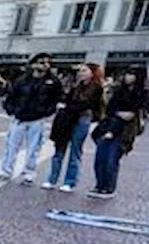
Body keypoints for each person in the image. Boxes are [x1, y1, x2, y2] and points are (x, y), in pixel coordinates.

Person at [0, 52, 63, 183]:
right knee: (11, 146)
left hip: (37, 118)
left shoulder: (53, 82)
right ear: (33, 64)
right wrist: (12, 110)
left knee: (33, 148)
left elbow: (56, 99)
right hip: (20, 117)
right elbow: (11, 96)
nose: (46, 65)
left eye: (47, 62)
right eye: (42, 62)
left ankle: (29, 173)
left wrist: (46, 111)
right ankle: (6, 170)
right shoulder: (22, 80)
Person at [44, 62, 104, 192]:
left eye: (84, 70)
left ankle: (69, 182)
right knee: (59, 149)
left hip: (82, 118)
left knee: (75, 150)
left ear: (92, 73)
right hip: (68, 118)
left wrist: (69, 107)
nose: (81, 73)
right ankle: (51, 179)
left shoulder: (97, 88)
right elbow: (67, 99)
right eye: (80, 71)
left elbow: (89, 104)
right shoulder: (75, 86)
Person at [90, 70, 147, 199]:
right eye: (127, 73)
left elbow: (131, 114)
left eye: (132, 74)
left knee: (112, 159)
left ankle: (108, 187)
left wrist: (122, 115)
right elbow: (111, 109)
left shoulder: (140, 93)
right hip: (108, 126)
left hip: (124, 131)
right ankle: (99, 185)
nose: (128, 77)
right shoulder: (118, 90)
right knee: (100, 158)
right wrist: (119, 114)